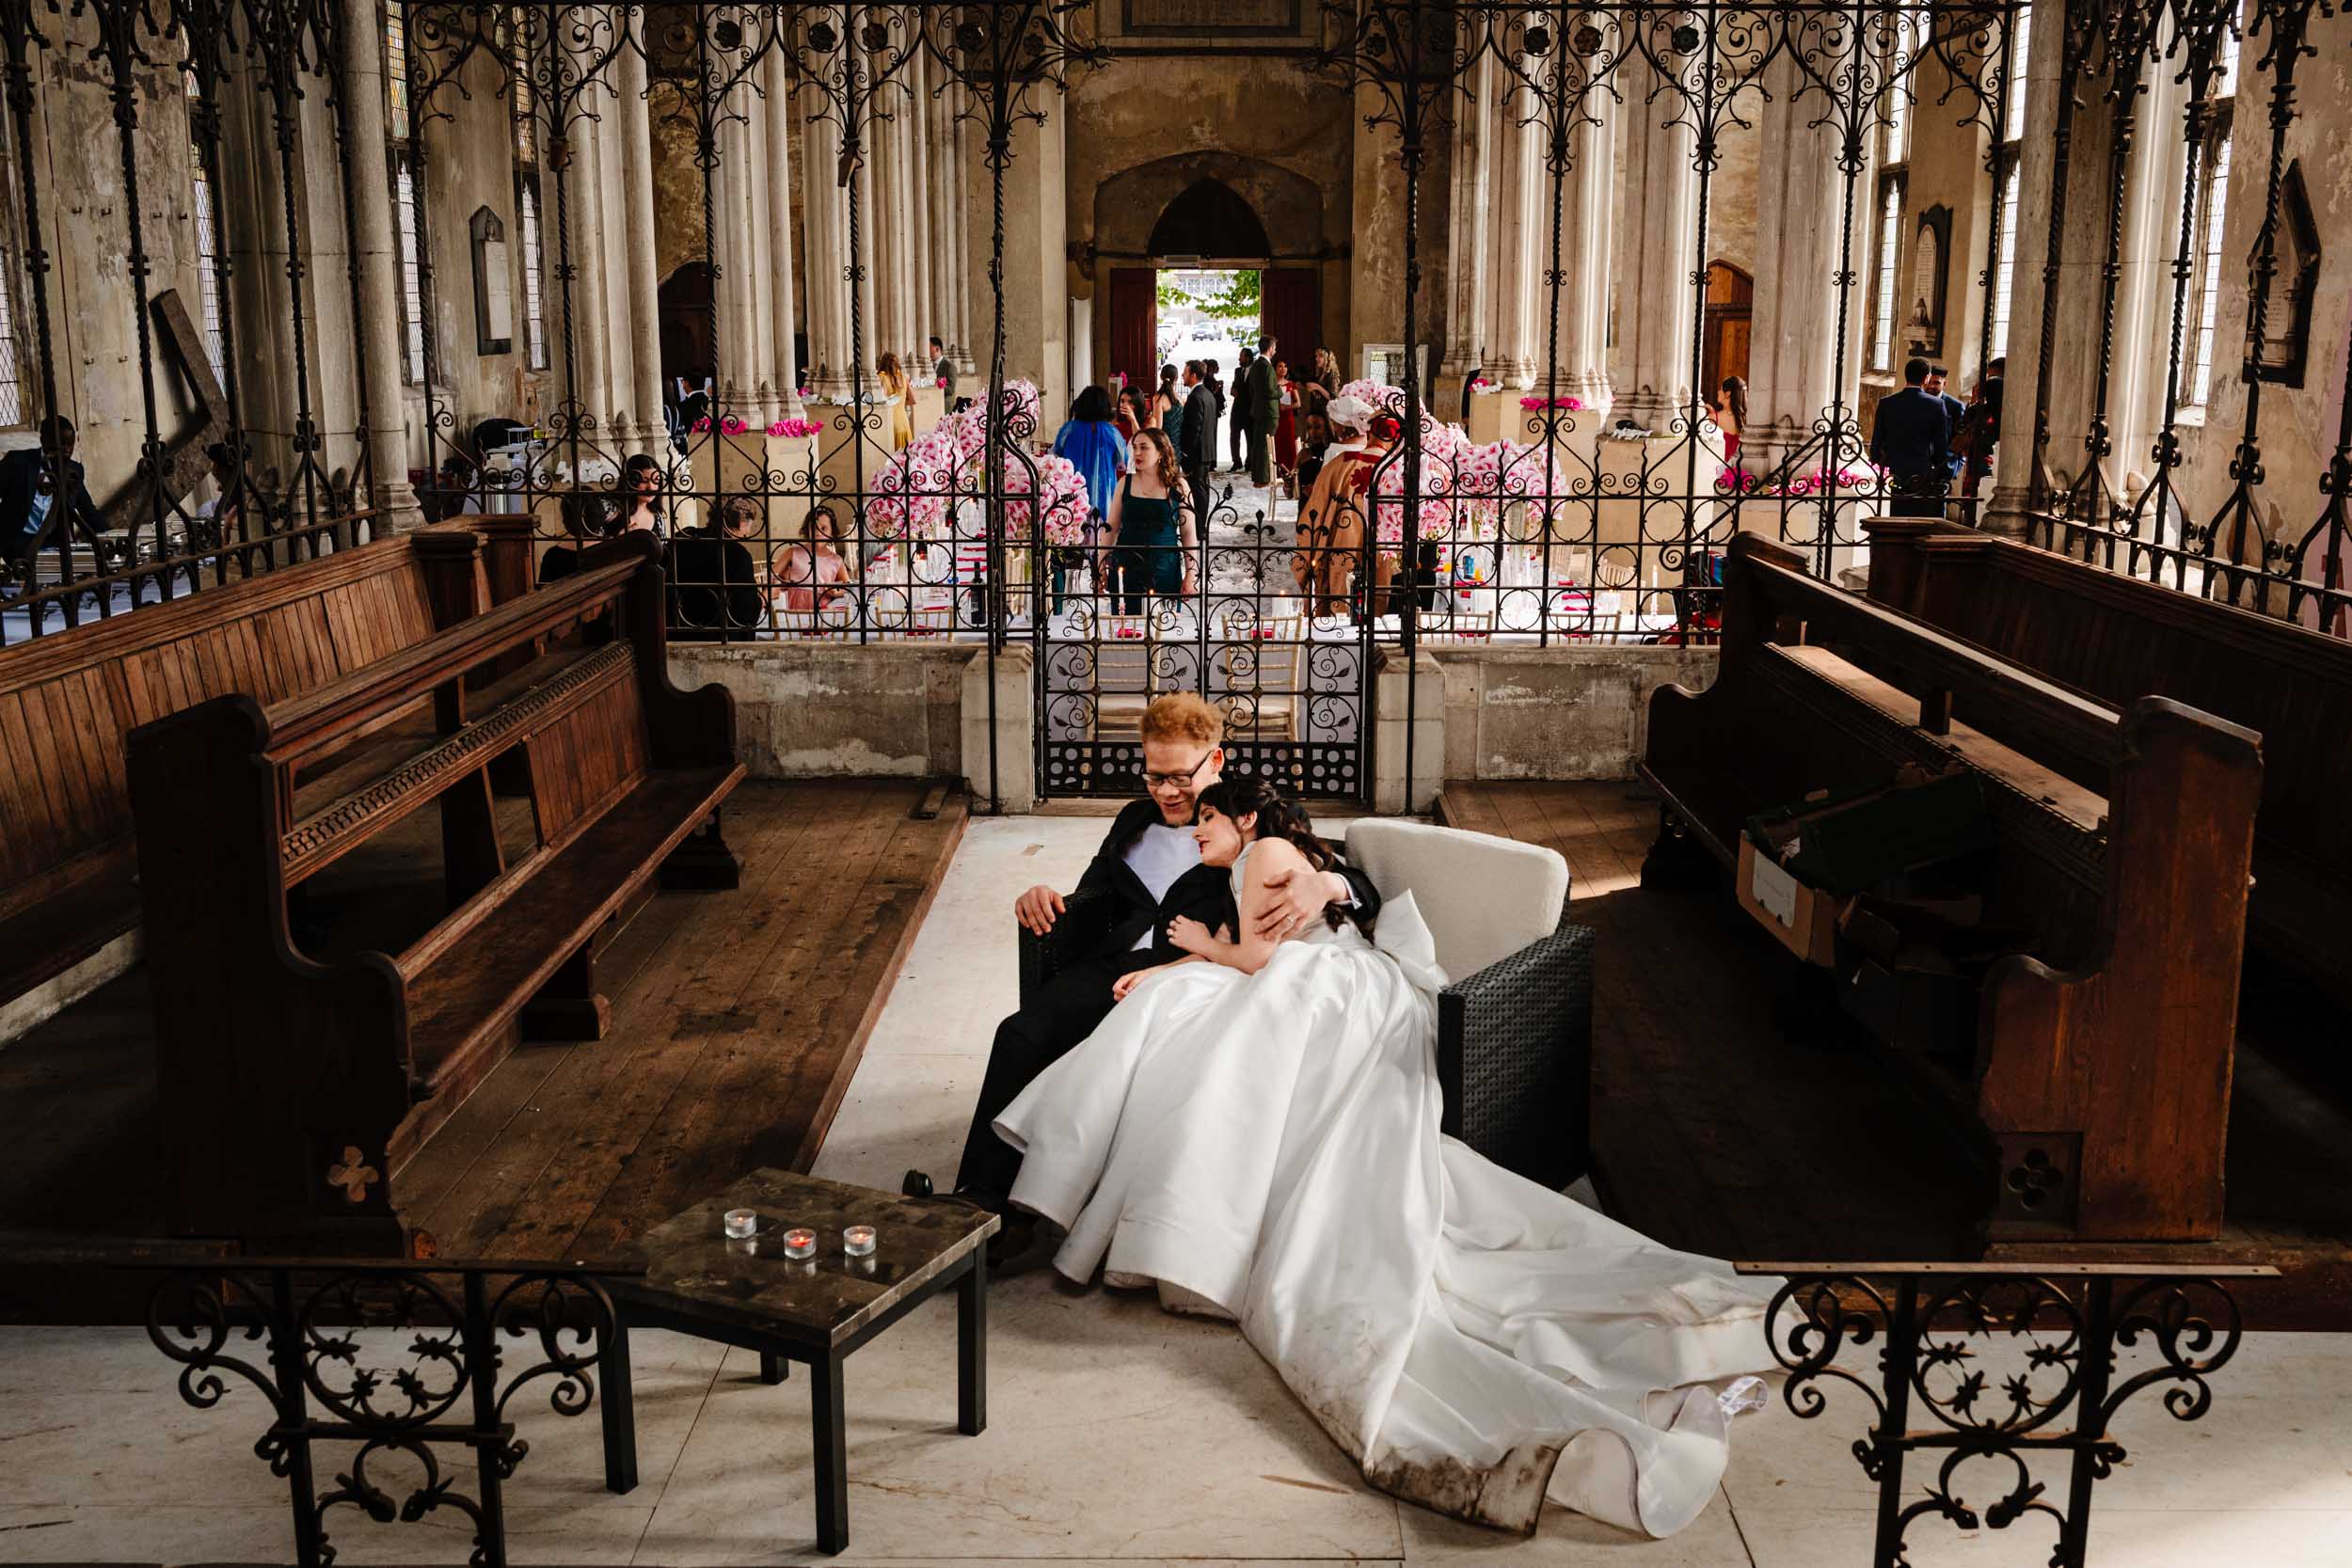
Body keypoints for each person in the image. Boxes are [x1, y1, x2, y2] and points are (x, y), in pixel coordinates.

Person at [992, 772, 1775, 1539]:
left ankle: (1186, 1216)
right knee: (1190, 1020)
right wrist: (1179, 963)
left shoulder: (1263, 857)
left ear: (1244, 819)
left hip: (1331, 983)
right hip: (1333, 974)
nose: (1195, 833)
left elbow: (1265, 959)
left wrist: (1201, 946)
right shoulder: (1242, 862)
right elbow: (1264, 941)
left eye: (1207, 819)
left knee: (1217, 1041)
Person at [941, 694, 1379, 1239]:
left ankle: (1026, 1214)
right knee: (1020, 1035)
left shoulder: (1255, 813)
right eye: (1153, 777)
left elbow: (1353, 884)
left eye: (1179, 777)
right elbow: (1092, 894)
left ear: (1215, 760)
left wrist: (1328, 883)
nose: (1166, 792)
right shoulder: (1135, 819)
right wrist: (1043, 894)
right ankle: (976, 1201)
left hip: (1196, 972)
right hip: (1119, 961)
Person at [1292, 393, 1380, 617]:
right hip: (1370, 522)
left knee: (1341, 574)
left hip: (1341, 523)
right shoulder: (1378, 455)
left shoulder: (1336, 453)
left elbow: (1321, 497)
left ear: (1342, 426)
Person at [1104, 426, 1196, 614]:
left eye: (1144, 447)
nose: (1137, 453)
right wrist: (1100, 566)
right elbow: (1111, 527)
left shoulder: (1179, 486)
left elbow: (1188, 533)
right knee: (1125, 631)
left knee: (1163, 630)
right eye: (1135, 447)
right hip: (1126, 568)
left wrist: (1191, 573)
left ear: (1161, 452)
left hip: (1164, 568)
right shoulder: (1125, 483)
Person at [0, 415, 104, 568]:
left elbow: (87, 510)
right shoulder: (18, 463)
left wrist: (111, 537)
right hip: (17, 543)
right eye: (61, 444)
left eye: (70, 444)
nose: (67, 450)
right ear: (44, 441)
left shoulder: (74, 470)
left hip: (52, 543)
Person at [1868, 356, 1953, 518]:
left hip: (1895, 469)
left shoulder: (1887, 403)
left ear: (1906, 375)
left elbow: (1877, 440)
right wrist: (1939, 468)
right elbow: (1940, 443)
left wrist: (1878, 460)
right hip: (1922, 469)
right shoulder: (1936, 404)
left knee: (1897, 511)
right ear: (1927, 378)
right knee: (1918, 513)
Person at [666, 496, 764, 634]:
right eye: (750, 525)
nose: (749, 531)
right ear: (742, 524)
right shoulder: (738, 555)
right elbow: (744, 612)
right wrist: (763, 599)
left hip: (678, 629)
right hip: (719, 634)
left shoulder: (684, 537)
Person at [1051, 385, 1130, 548]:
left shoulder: (1069, 429)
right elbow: (1123, 463)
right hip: (1104, 494)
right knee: (1102, 545)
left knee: (1071, 539)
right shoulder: (1111, 432)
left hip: (1072, 494)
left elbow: (1055, 455)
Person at [772, 502, 853, 613]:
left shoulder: (836, 560)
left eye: (823, 528)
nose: (817, 533)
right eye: (813, 528)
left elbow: (848, 587)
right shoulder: (793, 552)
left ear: (832, 532)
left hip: (823, 612)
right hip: (795, 610)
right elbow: (771, 576)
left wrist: (836, 592)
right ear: (808, 530)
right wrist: (783, 581)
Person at [1179, 361, 1218, 528]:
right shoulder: (1208, 394)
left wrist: (1186, 452)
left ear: (1193, 376)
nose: (1182, 375)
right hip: (1206, 450)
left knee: (1198, 490)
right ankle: (1201, 525)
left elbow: (1194, 428)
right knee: (1202, 488)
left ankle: (1200, 527)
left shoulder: (1196, 397)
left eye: (1185, 372)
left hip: (1197, 453)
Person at [1244, 333, 1279, 487]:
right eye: (1275, 348)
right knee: (1266, 445)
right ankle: (1264, 477)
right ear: (1270, 348)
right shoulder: (1267, 367)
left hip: (1257, 409)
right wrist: (1281, 391)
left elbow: (1252, 389)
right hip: (1269, 411)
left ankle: (1258, 475)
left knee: (1258, 444)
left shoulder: (1256, 366)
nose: (1275, 351)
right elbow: (1271, 391)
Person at [1925, 365, 1966, 484]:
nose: (1931, 386)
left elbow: (1961, 439)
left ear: (1944, 384)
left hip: (1943, 467)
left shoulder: (1955, 406)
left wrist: (1953, 467)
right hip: (1919, 466)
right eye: (1929, 382)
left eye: (1936, 383)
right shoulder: (1918, 402)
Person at [877, 351, 914, 452]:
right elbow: (912, 400)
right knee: (905, 458)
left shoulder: (881, 378)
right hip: (904, 423)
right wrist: (901, 403)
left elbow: (882, 401)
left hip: (890, 423)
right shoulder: (903, 378)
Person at [1228, 345, 1256, 473]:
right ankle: (1236, 462)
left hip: (1250, 409)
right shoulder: (1237, 371)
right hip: (1237, 409)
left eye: (1242, 356)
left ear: (1248, 358)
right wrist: (1233, 390)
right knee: (1234, 436)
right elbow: (1235, 385)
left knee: (1250, 438)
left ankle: (1249, 463)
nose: (1239, 358)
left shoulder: (1256, 370)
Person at [1272, 356, 1299, 480]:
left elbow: (1298, 403)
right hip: (1276, 418)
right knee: (1277, 444)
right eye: (1280, 366)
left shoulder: (1291, 384)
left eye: (1285, 366)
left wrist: (1286, 407)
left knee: (1289, 445)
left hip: (1288, 419)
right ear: (1275, 369)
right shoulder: (1272, 384)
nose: (1283, 369)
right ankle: (1277, 472)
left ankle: (1291, 471)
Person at [1154, 362, 1184, 465]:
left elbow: (1158, 427)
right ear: (1176, 379)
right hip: (1178, 445)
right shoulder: (1180, 400)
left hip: (1165, 445)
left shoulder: (1159, 398)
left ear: (1161, 377)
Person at [1713, 375, 1747, 467]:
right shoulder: (1746, 418)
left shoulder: (1714, 417)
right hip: (1735, 467)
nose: (1718, 391)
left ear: (1727, 394)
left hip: (1720, 468)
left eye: (1720, 389)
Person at [930, 334, 956, 406]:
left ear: (937, 349)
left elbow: (951, 390)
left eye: (929, 347)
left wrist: (938, 384)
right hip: (932, 404)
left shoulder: (950, 367)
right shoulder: (928, 367)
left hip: (944, 406)